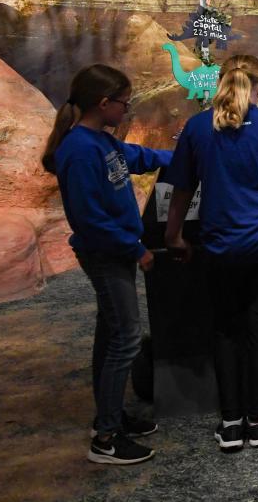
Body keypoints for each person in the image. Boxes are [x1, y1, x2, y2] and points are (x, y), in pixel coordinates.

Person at [163, 54, 258, 452]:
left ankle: (231, 423)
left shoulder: (197, 128)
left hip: (221, 246)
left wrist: (174, 236)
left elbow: (181, 190)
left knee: (227, 330)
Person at [42, 65, 172, 466]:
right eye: (124, 103)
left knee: (111, 333)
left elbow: (140, 156)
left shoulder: (102, 142)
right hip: (106, 253)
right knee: (126, 338)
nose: (127, 110)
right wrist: (136, 249)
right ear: (104, 103)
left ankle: (111, 416)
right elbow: (89, 219)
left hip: (114, 251)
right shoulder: (79, 151)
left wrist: (193, 152)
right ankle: (106, 439)